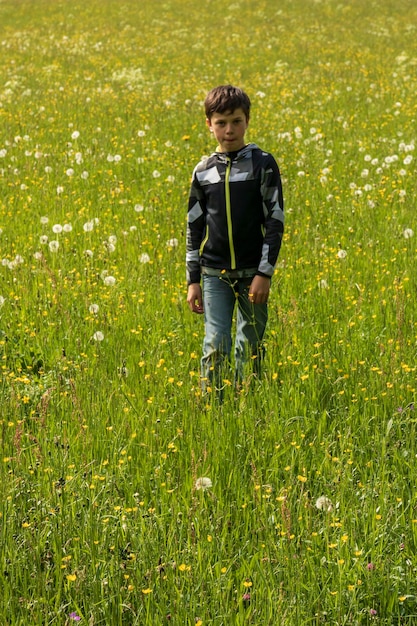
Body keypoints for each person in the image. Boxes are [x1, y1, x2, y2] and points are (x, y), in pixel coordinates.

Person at [186, 84, 284, 398]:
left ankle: (249, 407)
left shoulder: (262, 164)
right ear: (209, 124)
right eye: (221, 123)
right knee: (215, 344)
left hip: (253, 274)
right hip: (214, 274)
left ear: (247, 120)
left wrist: (264, 274)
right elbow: (194, 228)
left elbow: (275, 221)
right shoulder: (203, 172)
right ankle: (212, 408)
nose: (230, 130)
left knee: (250, 345)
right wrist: (193, 280)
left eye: (237, 121)